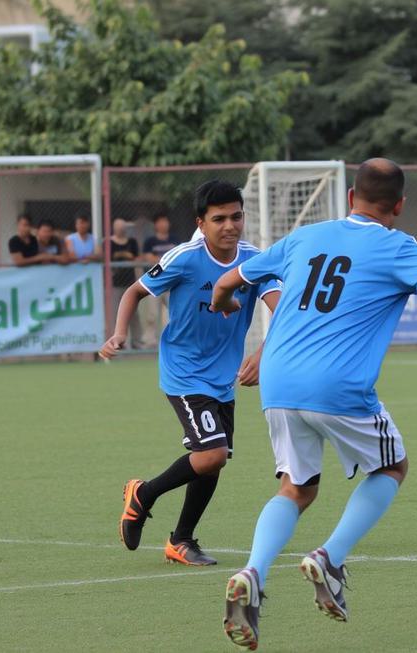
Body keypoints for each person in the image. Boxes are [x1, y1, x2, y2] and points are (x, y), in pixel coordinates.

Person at [212, 158, 417, 649]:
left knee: (296, 487)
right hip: (339, 386)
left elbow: (226, 285)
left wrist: (226, 307)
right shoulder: (399, 245)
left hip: (278, 383)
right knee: (392, 467)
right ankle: (329, 557)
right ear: (399, 205)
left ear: (351, 197)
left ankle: (254, 572)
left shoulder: (305, 237)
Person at [100, 181, 280, 567]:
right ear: (202, 222)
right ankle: (143, 495)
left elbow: (283, 311)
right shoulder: (184, 258)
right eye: (218, 219)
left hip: (223, 373)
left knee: (212, 458)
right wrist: (118, 333)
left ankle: (180, 540)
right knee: (211, 453)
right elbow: (133, 292)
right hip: (183, 369)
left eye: (236, 216)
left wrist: (263, 353)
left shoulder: (255, 260)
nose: (229, 226)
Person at [141, 213, 180, 347]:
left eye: (166, 221)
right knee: (151, 314)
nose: (164, 224)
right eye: (161, 221)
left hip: (171, 283)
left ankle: (170, 340)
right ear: (156, 224)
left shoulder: (174, 239)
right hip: (155, 283)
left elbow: (178, 259)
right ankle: (149, 341)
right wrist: (165, 262)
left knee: (172, 313)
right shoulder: (150, 241)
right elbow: (148, 257)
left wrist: (162, 261)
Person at [107, 218, 143, 349]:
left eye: (123, 227)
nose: (121, 230)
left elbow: (138, 258)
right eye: (119, 227)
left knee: (134, 315)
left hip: (130, 282)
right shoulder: (109, 243)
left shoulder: (132, 242)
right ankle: (119, 342)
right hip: (115, 284)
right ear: (114, 228)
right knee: (118, 313)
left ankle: (137, 342)